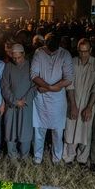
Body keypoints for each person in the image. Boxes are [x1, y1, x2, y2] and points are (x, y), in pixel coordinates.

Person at [30, 32, 74, 165]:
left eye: (54, 42)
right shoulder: (39, 52)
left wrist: (50, 88)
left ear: (59, 42)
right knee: (39, 129)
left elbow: (69, 78)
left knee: (57, 130)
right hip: (41, 98)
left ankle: (57, 158)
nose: (51, 45)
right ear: (45, 42)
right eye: (49, 42)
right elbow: (33, 74)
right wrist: (49, 87)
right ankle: (37, 158)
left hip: (57, 99)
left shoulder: (65, 54)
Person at [63, 38, 95, 164]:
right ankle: (68, 157)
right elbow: (70, 85)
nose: (83, 54)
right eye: (81, 51)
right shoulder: (72, 63)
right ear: (77, 50)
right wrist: (73, 105)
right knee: (70, 129)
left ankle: (82, 159)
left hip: (88, 103)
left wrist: (89, 107)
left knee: (86, 131)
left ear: (90, 50)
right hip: (73, 100)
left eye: (86, 51)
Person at [0, 44, 36, 160]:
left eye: (18, 58)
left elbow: (34, 86)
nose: (16, 60)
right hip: (12, 105)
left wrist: (25, 100)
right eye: (14, 58)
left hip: (26, 105)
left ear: (23, 54)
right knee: (10, 130)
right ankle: (12, 157)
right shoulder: (8, 66)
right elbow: (4, 86)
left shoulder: (31, 66)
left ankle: (24, 156)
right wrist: (14, 101)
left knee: (24, 129)